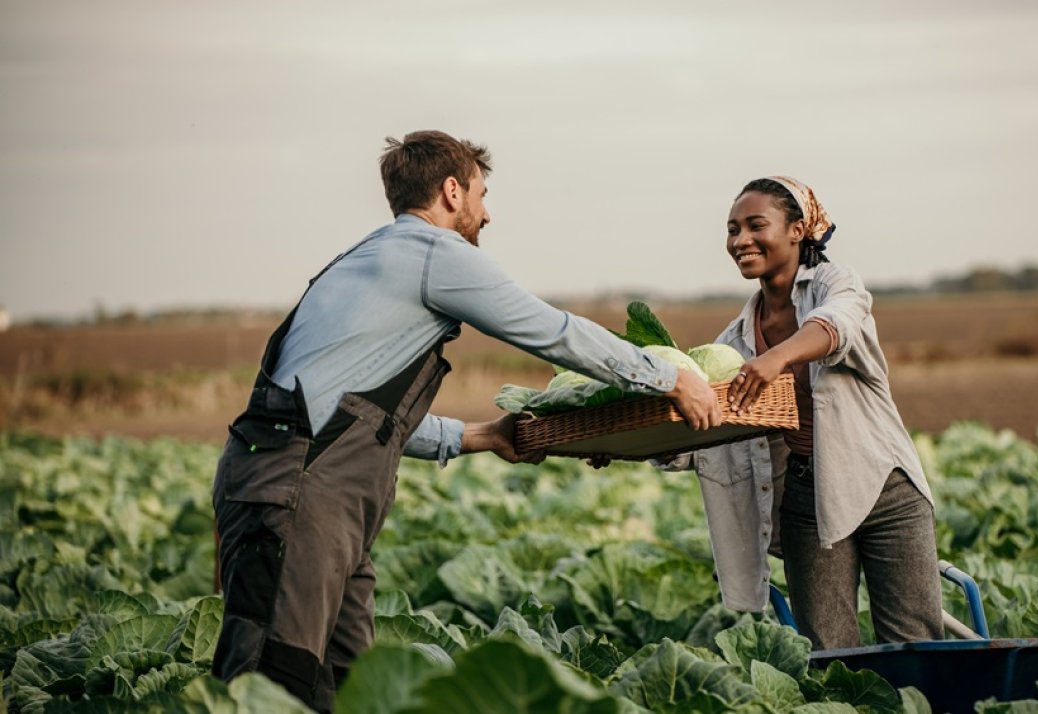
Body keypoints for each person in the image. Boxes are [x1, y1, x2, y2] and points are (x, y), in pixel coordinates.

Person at [210, 130, 722, 710]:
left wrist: (483, 436)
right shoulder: (434, 255)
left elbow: (358, 417)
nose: (486, 212)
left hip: (310, 494)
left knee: (353, 687)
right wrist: (667, 377)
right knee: (273, 682)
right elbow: (550, 331)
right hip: (298, 497)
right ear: (452, 191)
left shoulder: (371, 259)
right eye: (480, 193)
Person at [659, 176, 941, 650]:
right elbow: (709, 426)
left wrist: (776, 358)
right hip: (807, 494)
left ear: (797, 230)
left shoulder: (834, 284)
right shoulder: (733, 341)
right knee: (830, 650)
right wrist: (621, 446)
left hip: (885, 485)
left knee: (916, 645)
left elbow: (838, 324)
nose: (740, 240)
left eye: (755, 225)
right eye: (733, 230)